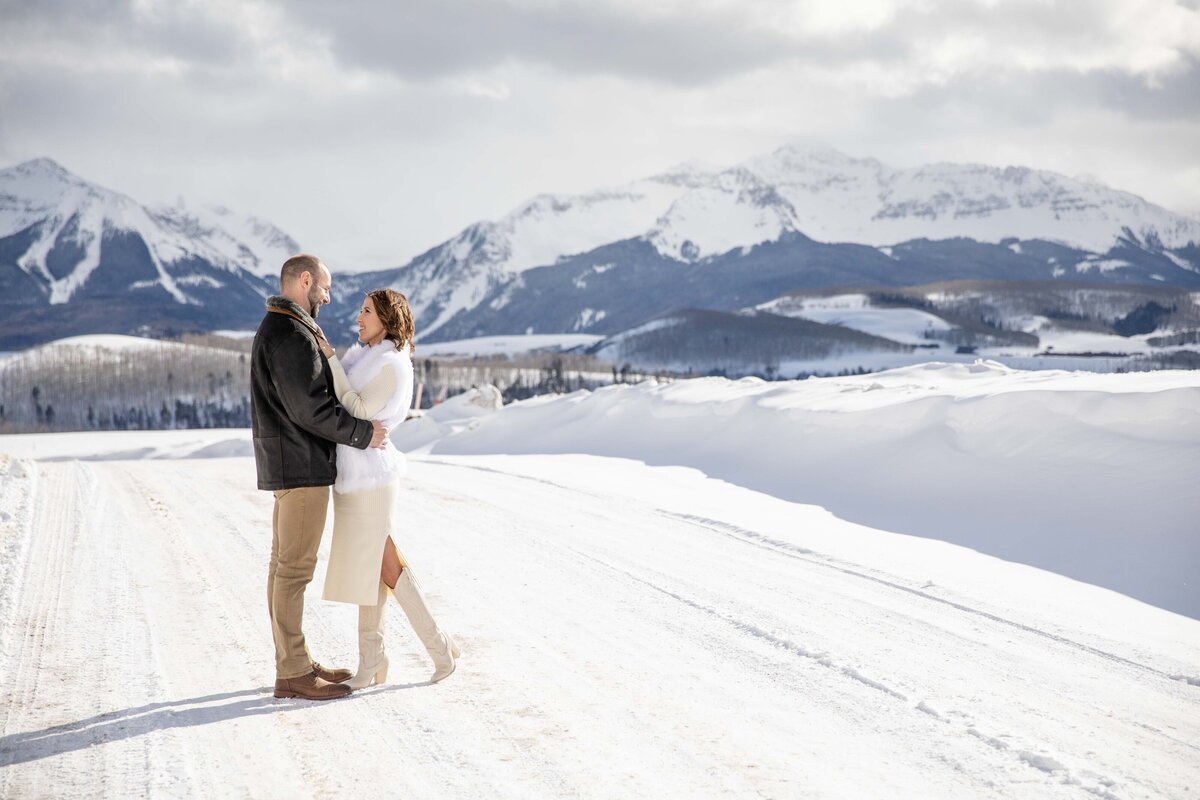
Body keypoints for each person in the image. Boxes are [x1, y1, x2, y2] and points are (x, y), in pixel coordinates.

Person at [250, 254, 389, 701]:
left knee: (282, 569)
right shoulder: (290, 333)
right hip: (302, 467)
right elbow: (310, 409)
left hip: (291, 464)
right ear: (305, 280)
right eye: (325, 289)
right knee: (293, 572)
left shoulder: (283, 326)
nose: (328, 298)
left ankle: (294, 660)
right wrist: (363, 433)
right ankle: (292, 671)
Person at [317, 288, 459, 688]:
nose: (358, 318)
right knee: (374, 566)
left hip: (372, 477)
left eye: (366, 312)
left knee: (385, 565)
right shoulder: (366, 358)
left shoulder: (391, 364)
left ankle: (439, 649)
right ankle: (374, 660)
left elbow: (359, 410)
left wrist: (330, 360)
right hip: (357, 471)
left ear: (386, 318)